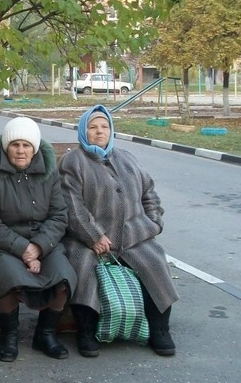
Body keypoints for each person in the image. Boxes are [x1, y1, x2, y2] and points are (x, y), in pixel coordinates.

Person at [59, 105, 179, 357]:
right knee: (82, 264)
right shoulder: (73, 162)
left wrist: (154, 222)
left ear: (111, 130)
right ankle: (86, 331)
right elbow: (72, 206)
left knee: (155, 261)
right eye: (92, 127)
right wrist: (93, 236)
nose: (99, 131)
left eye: (104, 126)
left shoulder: (127, 158)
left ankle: (160, 329)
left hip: (136, 235)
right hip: (90, 239)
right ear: (83, 132)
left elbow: (149, 193)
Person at [0, 117, 77, 361]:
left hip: (44, 244)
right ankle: (8, 337)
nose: (21, 151)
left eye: (26, 145)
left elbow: (59, 215)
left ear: (35, 148)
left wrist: (39, 247)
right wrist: (23, 249)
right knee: (9, 277)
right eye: (15, 144)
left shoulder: (49, 174)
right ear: (6, 147)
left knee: (63, 275)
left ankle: (45, 334)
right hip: (2, 246)